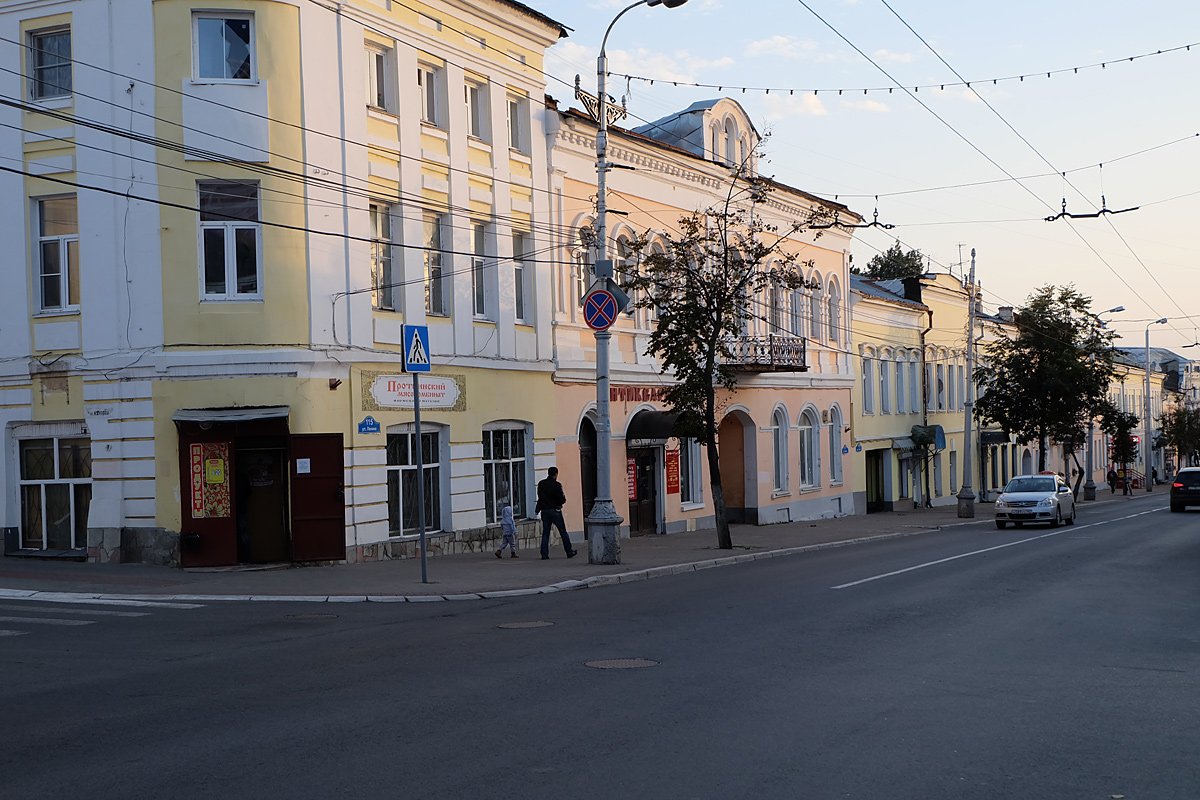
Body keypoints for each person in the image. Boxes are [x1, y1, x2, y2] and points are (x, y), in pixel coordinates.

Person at [536, 466, 577, 560]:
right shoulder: (557, 485)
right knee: (563, 531)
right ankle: (569, 552)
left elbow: (540, 498)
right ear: (556, 474)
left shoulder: (541, 484)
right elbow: (562, 499)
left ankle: (544, 554)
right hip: (555, 511)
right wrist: (561, 501)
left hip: (545, 511)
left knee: (545, 533)